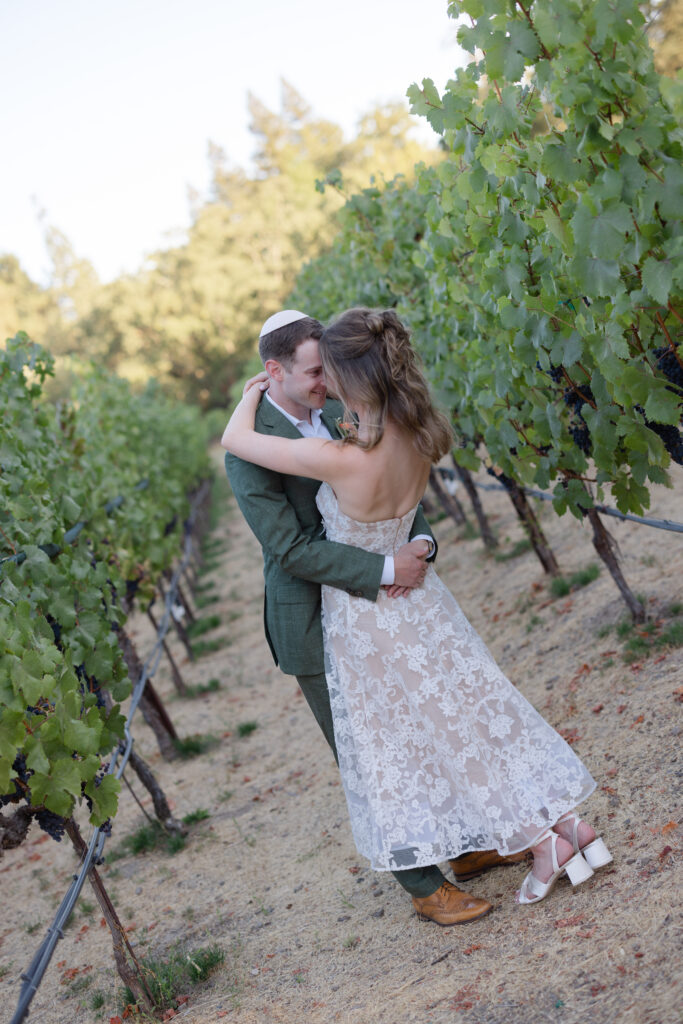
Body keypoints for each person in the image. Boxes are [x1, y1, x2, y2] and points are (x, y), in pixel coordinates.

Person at [223, 309, 531, 926]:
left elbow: (386, 494)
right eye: (314, 373)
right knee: (371, 758)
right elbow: (290, 549)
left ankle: (467, 850)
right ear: (273, 371)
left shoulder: (342, 411)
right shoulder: (251, 450)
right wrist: (388, 570)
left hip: (385, 615)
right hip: (314, 621)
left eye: (327, 371)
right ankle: (423, 886)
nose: (324, 383)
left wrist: (421, 545)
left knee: (424, 729)